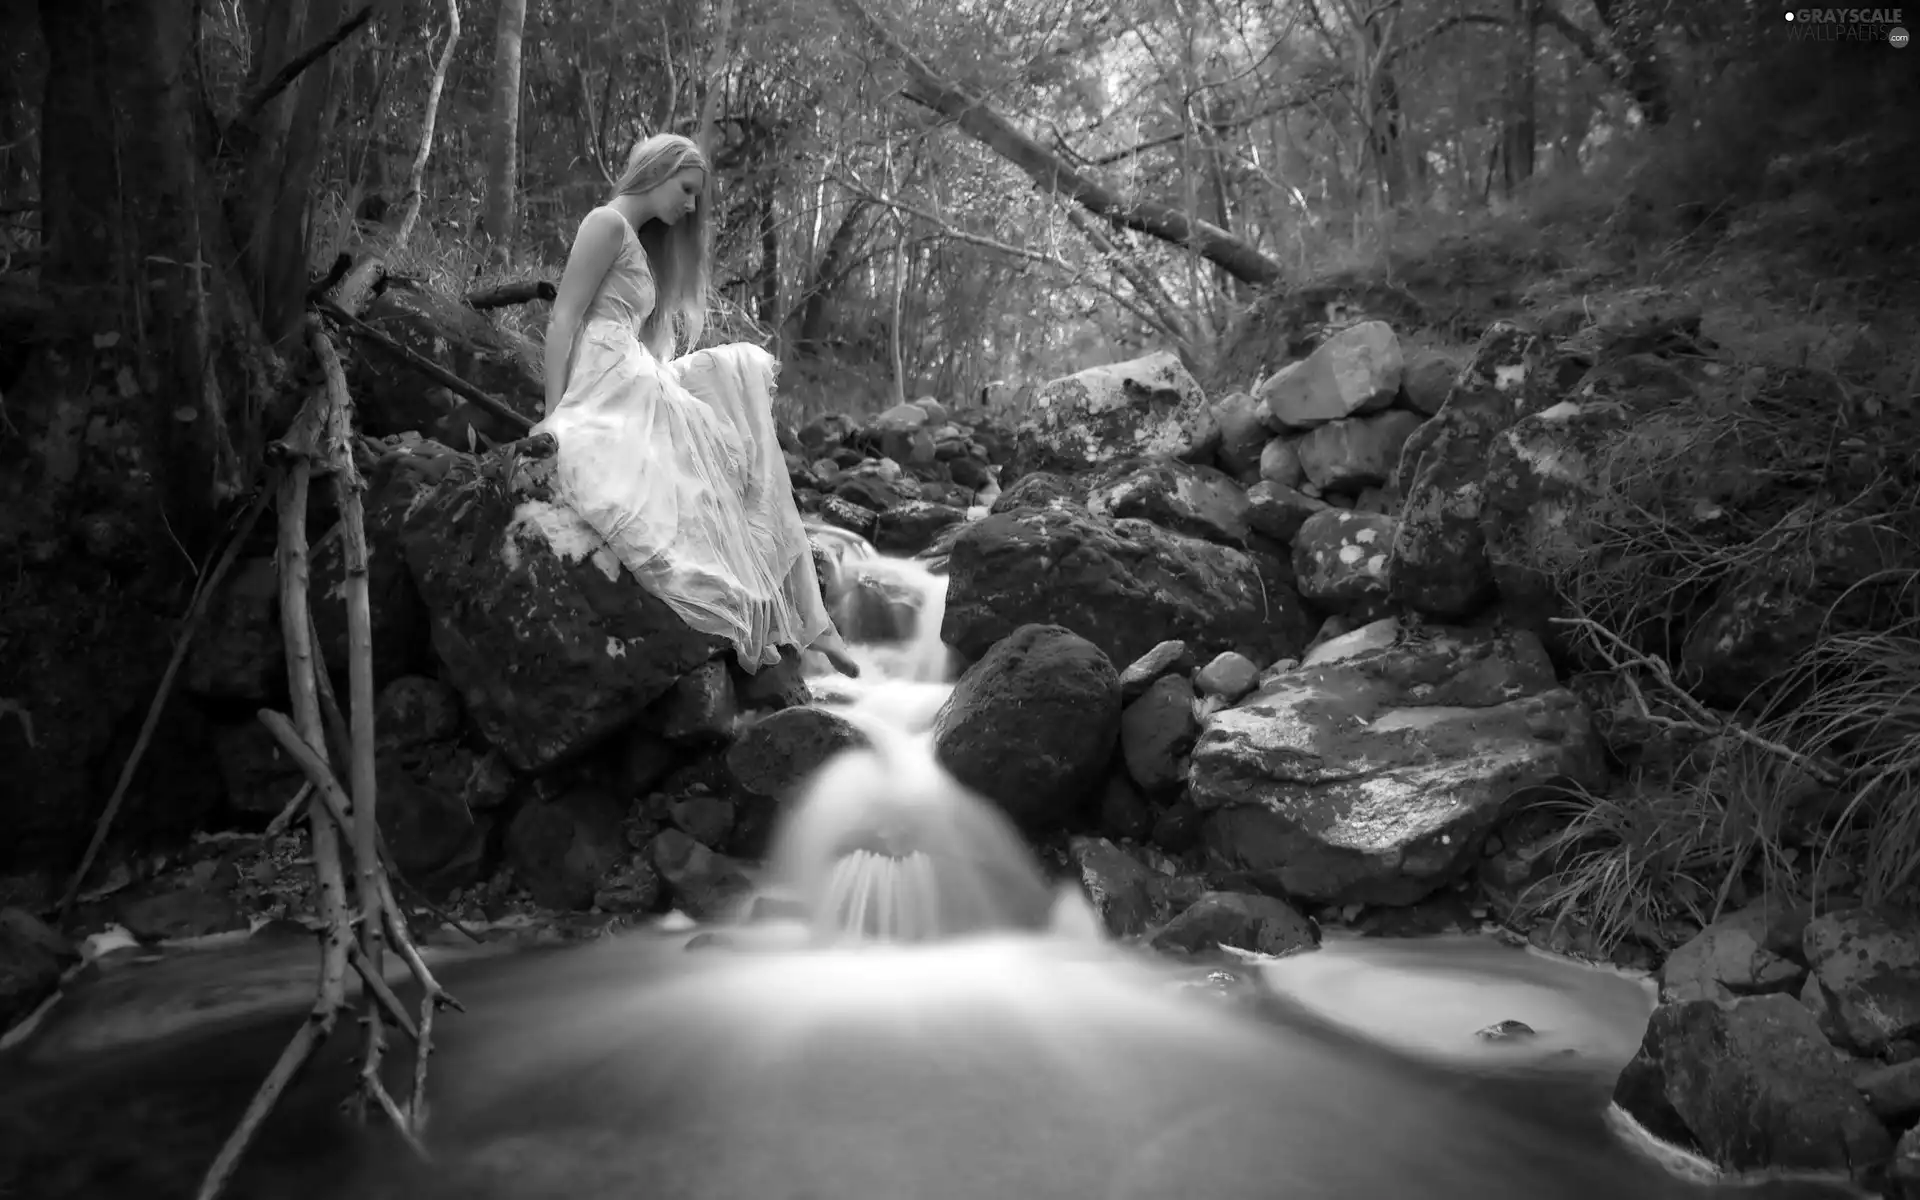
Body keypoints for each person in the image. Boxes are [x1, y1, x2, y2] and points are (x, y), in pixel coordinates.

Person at [536, 133, 860, 678]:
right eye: (687, 190)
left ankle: (813, 614)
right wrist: (553, 415)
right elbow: (563, 319)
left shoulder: (636, 240)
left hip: (633, 375)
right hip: (606, 384)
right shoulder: (606, 224)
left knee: (741, 383)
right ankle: (811, 617)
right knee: (729, 432)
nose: (689, 206)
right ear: (657, 170)